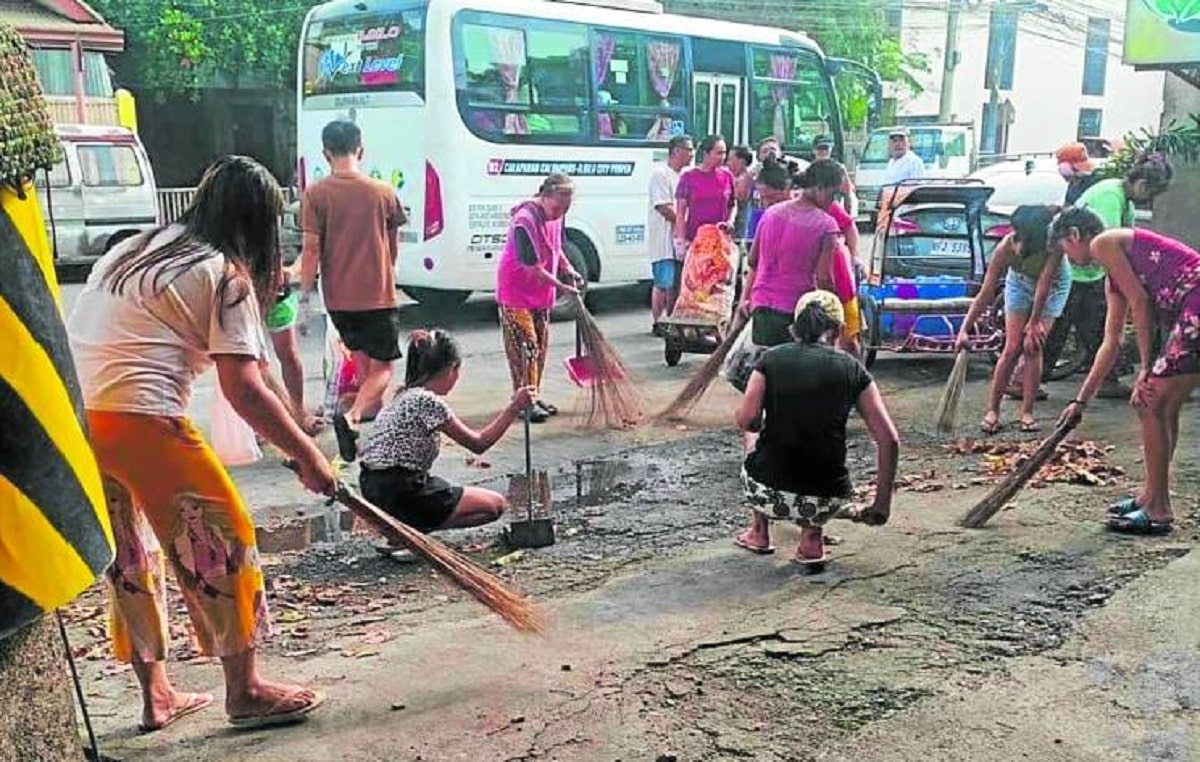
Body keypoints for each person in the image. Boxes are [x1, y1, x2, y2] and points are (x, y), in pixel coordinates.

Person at [67, 155, 334, 732]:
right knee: (225, 538)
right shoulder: (223, 274)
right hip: (144, 421)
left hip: (83, 419)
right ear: (258, 222)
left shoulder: (137, 247)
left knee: (131, 556)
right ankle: (246, 690)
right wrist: (309, 455)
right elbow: (246, 388)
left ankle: (157, 695)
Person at [1052, 211, 1199, 535]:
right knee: (1163, 406)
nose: (1070, 260)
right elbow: (1111, 340)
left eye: (1065, 249)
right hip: (1191, 310)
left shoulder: (1106, 242)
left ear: (1074, 235)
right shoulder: (1113, 274)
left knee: (1148, 402)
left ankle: (1159, 509)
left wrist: (1145, 369)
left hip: (1196, 304)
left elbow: (1141, 303)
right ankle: (1151, 496)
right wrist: (1080, 402)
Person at [733, 290, 899, 569]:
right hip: (825, 501)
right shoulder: (854, 370)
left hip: (766, 492)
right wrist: (881, 505)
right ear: (839, 331)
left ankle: (759, 532)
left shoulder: (770, 359)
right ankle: (812, 540)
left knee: (752, 434)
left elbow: (747, 419)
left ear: (793, 328)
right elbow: (889, 439)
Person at [299, 119, 407, 462]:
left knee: (364, 369)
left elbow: (311, 249)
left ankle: (363, 438)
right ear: (360, 149)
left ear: (326, 153)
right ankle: (352, 417)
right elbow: (393, 246)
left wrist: (304, 299)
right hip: (377, 295)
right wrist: (386, 272)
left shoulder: (315, 194)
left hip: (338, 299)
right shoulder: (383, 192)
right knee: (385, 368)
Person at [359, 330, 536, 532]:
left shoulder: (402, 397)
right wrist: (514, 408)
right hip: (400, 489)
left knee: (443, 491)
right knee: (495, 505)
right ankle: (412, 530)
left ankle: (403, 530)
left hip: (372, 485)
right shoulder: (427, 401)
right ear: (452, 369)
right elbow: (478, 444)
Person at [1040, 153, 1174, 399]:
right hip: (1085, 272)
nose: (1150, 200)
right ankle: (1031, 375)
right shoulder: (1110, 196)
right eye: (1151, 194)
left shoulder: (1124, 200)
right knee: (1079, 326)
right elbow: (1107, 244)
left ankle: (1100, 377)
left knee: (1091, 328)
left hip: (1093, 272)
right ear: (1143, 184)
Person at [956, 205, 1071, 433]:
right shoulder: (1005, 248)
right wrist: (964, 328)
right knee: (1011, 347)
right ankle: (992, 411)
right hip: (1019, 283)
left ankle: (1027, 412)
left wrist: (1034, 322)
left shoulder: (1055, 246)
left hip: (1054, 288)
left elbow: (1044, 285)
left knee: (1033, 346)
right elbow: (986, 291)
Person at [496, 173, 584, 424]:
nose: (559, 214)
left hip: (540, 291)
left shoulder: (557, 216)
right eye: (557, 208)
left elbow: (557, 247)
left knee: (541, 346)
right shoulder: (525, 220)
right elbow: (532, 267)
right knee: (526, 345)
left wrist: (568, 270)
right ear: (544, 197)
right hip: (516, 290)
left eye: (565, 209)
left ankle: (533, 394)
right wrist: (562, 287)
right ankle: (523, 401)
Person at [741, 159, 846, 348]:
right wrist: (834, 312)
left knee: (766, 368)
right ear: (820, 188)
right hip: (796, 313)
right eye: (834, 194)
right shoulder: (826, 225)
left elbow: (753, 259)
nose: (834, 201)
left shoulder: (771, 213)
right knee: (795, 373)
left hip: (761, 306)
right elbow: (824, 280)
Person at [265, 264, 322, 435]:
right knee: (253, 363)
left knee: (288, 355)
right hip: (239, 292)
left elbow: (309, 246)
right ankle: (285, 416)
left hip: (275, 291)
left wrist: (292, 269)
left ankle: (296, 411)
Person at [648, 134, 694, 333]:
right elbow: (663, 207)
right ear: (677, 151)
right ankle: (658, 322)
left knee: (677, 282)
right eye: (689, 150)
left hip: (680, 237)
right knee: (663, 281)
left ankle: (673, 320)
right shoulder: (660, 173)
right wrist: (685, 223)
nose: (692, 154)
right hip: (665, 236)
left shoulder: (687, 175)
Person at [675, 135, 736, 259]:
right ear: (706, 153)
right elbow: (681, 212)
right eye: (718, 153)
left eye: (724, 153)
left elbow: (732, 204)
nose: (722, 157)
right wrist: (681, 241)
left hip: (720, 242)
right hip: (695, 241)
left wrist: (730, 221)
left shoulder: (727, 176)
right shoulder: (689, 177)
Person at [813, 134, 859, 217]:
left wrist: (846, 217)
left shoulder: (839, 169)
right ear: (814, 150)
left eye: (825, 149)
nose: (823, 152)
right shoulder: (808, 170)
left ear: (830, 150)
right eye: (819, 149)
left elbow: (847, 195)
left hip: (833, 213)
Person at [728, 144, 755, 239]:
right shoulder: (732, 177)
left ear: (741, 161)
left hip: (743, 222)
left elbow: (740, 196)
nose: (728, 163)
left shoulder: (747, 177)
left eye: (731, 159)